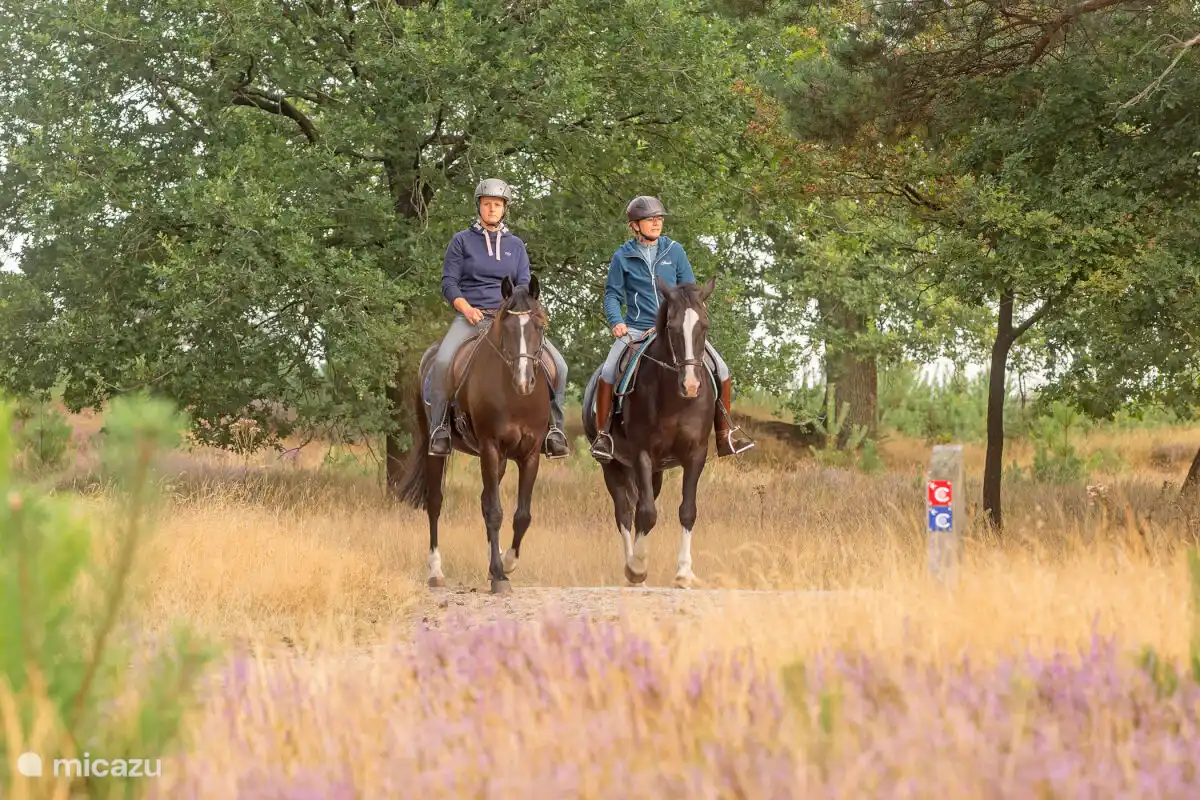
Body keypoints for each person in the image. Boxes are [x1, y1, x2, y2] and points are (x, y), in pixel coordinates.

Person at [590, 195, 755, 463]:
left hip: (677, 329)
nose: (656, 223)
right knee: (608, 371)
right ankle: (603, 436)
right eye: (650, 219)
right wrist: (616, 321)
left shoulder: (674, 251)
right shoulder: (623, 256)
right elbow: (612, 295)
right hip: (636, 328)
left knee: (721, 369)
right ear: (634, 225)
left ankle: (725, 434)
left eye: (659, 219)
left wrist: (693, 312)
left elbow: (689, 289)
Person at [426, 177, 570, 459]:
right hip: (471, 317)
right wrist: (465, 307)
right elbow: (449, 283)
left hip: (511, 321)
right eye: (487, 204)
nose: (492, 209)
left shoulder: (516, 245)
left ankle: (555, 430)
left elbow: (525, 285)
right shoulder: (462, 241)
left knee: (560, 367)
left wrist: (523, 313)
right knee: (443, 361)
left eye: (498, 204)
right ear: (479, 206)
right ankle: (440, 427)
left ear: (505, 209)